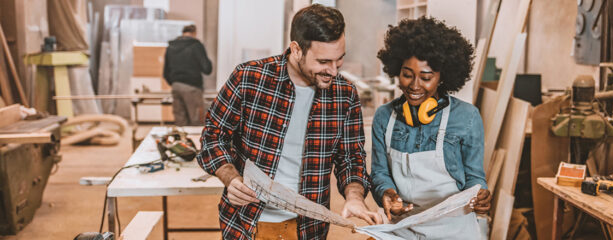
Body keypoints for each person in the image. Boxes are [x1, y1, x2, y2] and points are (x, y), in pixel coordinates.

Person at [197, 4, 381, 240]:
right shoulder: (249, 78)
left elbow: (351, 157)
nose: (333, 71)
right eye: (324, 61)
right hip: (247, 223)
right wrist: (231, 179)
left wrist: (355, 197)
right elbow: (213, 136)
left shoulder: (345, 94)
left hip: (308, 229)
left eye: (340, 59)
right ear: (296, 49)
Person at [370, 16, 491, 239]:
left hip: (454, 231)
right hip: (402, 229)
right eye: (407, 75)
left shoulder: (466, 117)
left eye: (426, 77)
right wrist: (386, 193)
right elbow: (379, 173)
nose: (414, 86)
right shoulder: (384, 117)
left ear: (442, 77)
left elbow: (475, 177)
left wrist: (480, 195)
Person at [163, 24, 212, 126]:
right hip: (192, 88)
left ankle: (183, 142)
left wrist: (175, 83)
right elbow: (207, 69)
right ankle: (197, 142)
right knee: (197, 122)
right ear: (194, 33)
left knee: (180, 123)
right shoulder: (196, 46)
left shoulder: (171, 47)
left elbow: (165, 72)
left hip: (176, 87)